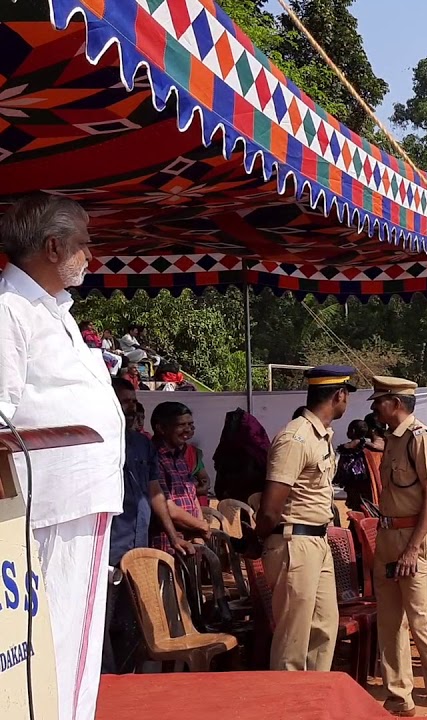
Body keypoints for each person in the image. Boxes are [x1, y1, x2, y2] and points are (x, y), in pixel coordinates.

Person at [0, 194, 124, 720]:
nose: (90, 255)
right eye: (82, 244)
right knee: (55, 637)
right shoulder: (9, 308)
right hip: (49, 502)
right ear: (53, 247)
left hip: (76, 499)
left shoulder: (53, 310)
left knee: (72, 635)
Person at [366, 377, 427, 717]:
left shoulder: (421, 440)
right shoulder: (393, 440)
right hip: (389, 536)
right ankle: (398, 698)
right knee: (390, 622)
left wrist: (412, 549)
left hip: (413, 540)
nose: (375, 407)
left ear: (396, 402)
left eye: (379, 401)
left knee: (422, 620)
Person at [255, 365, 356, 671]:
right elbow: (271, 506)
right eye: (346, 395)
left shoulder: (320, 436)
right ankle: (288, 708)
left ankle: (313, 703)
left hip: (316, 540)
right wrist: (256, 540)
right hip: (293, 543)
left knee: (323, 629)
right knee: (293, 639)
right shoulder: (295, 438)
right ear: (339, 395)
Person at [104, 379, 189, 674]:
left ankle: (128, 680)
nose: (131, 407)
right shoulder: (97, 441)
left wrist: (173, 534)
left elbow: (155, 492)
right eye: (125, 401)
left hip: (139, 547)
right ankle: (106, 685)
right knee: (104, 625)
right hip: (108, 550)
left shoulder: (141, 443)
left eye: (132, 401)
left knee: (133, 623)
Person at [149, 402, 211, 553]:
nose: (188, 430)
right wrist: (201, 525)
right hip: (168, 544)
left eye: (190, 424)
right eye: (181, 425)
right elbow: (166, 507)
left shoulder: (179, 455)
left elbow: (192, 495)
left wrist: (200, 527)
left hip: (191, 539)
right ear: (161, 428)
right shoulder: (154, 457)